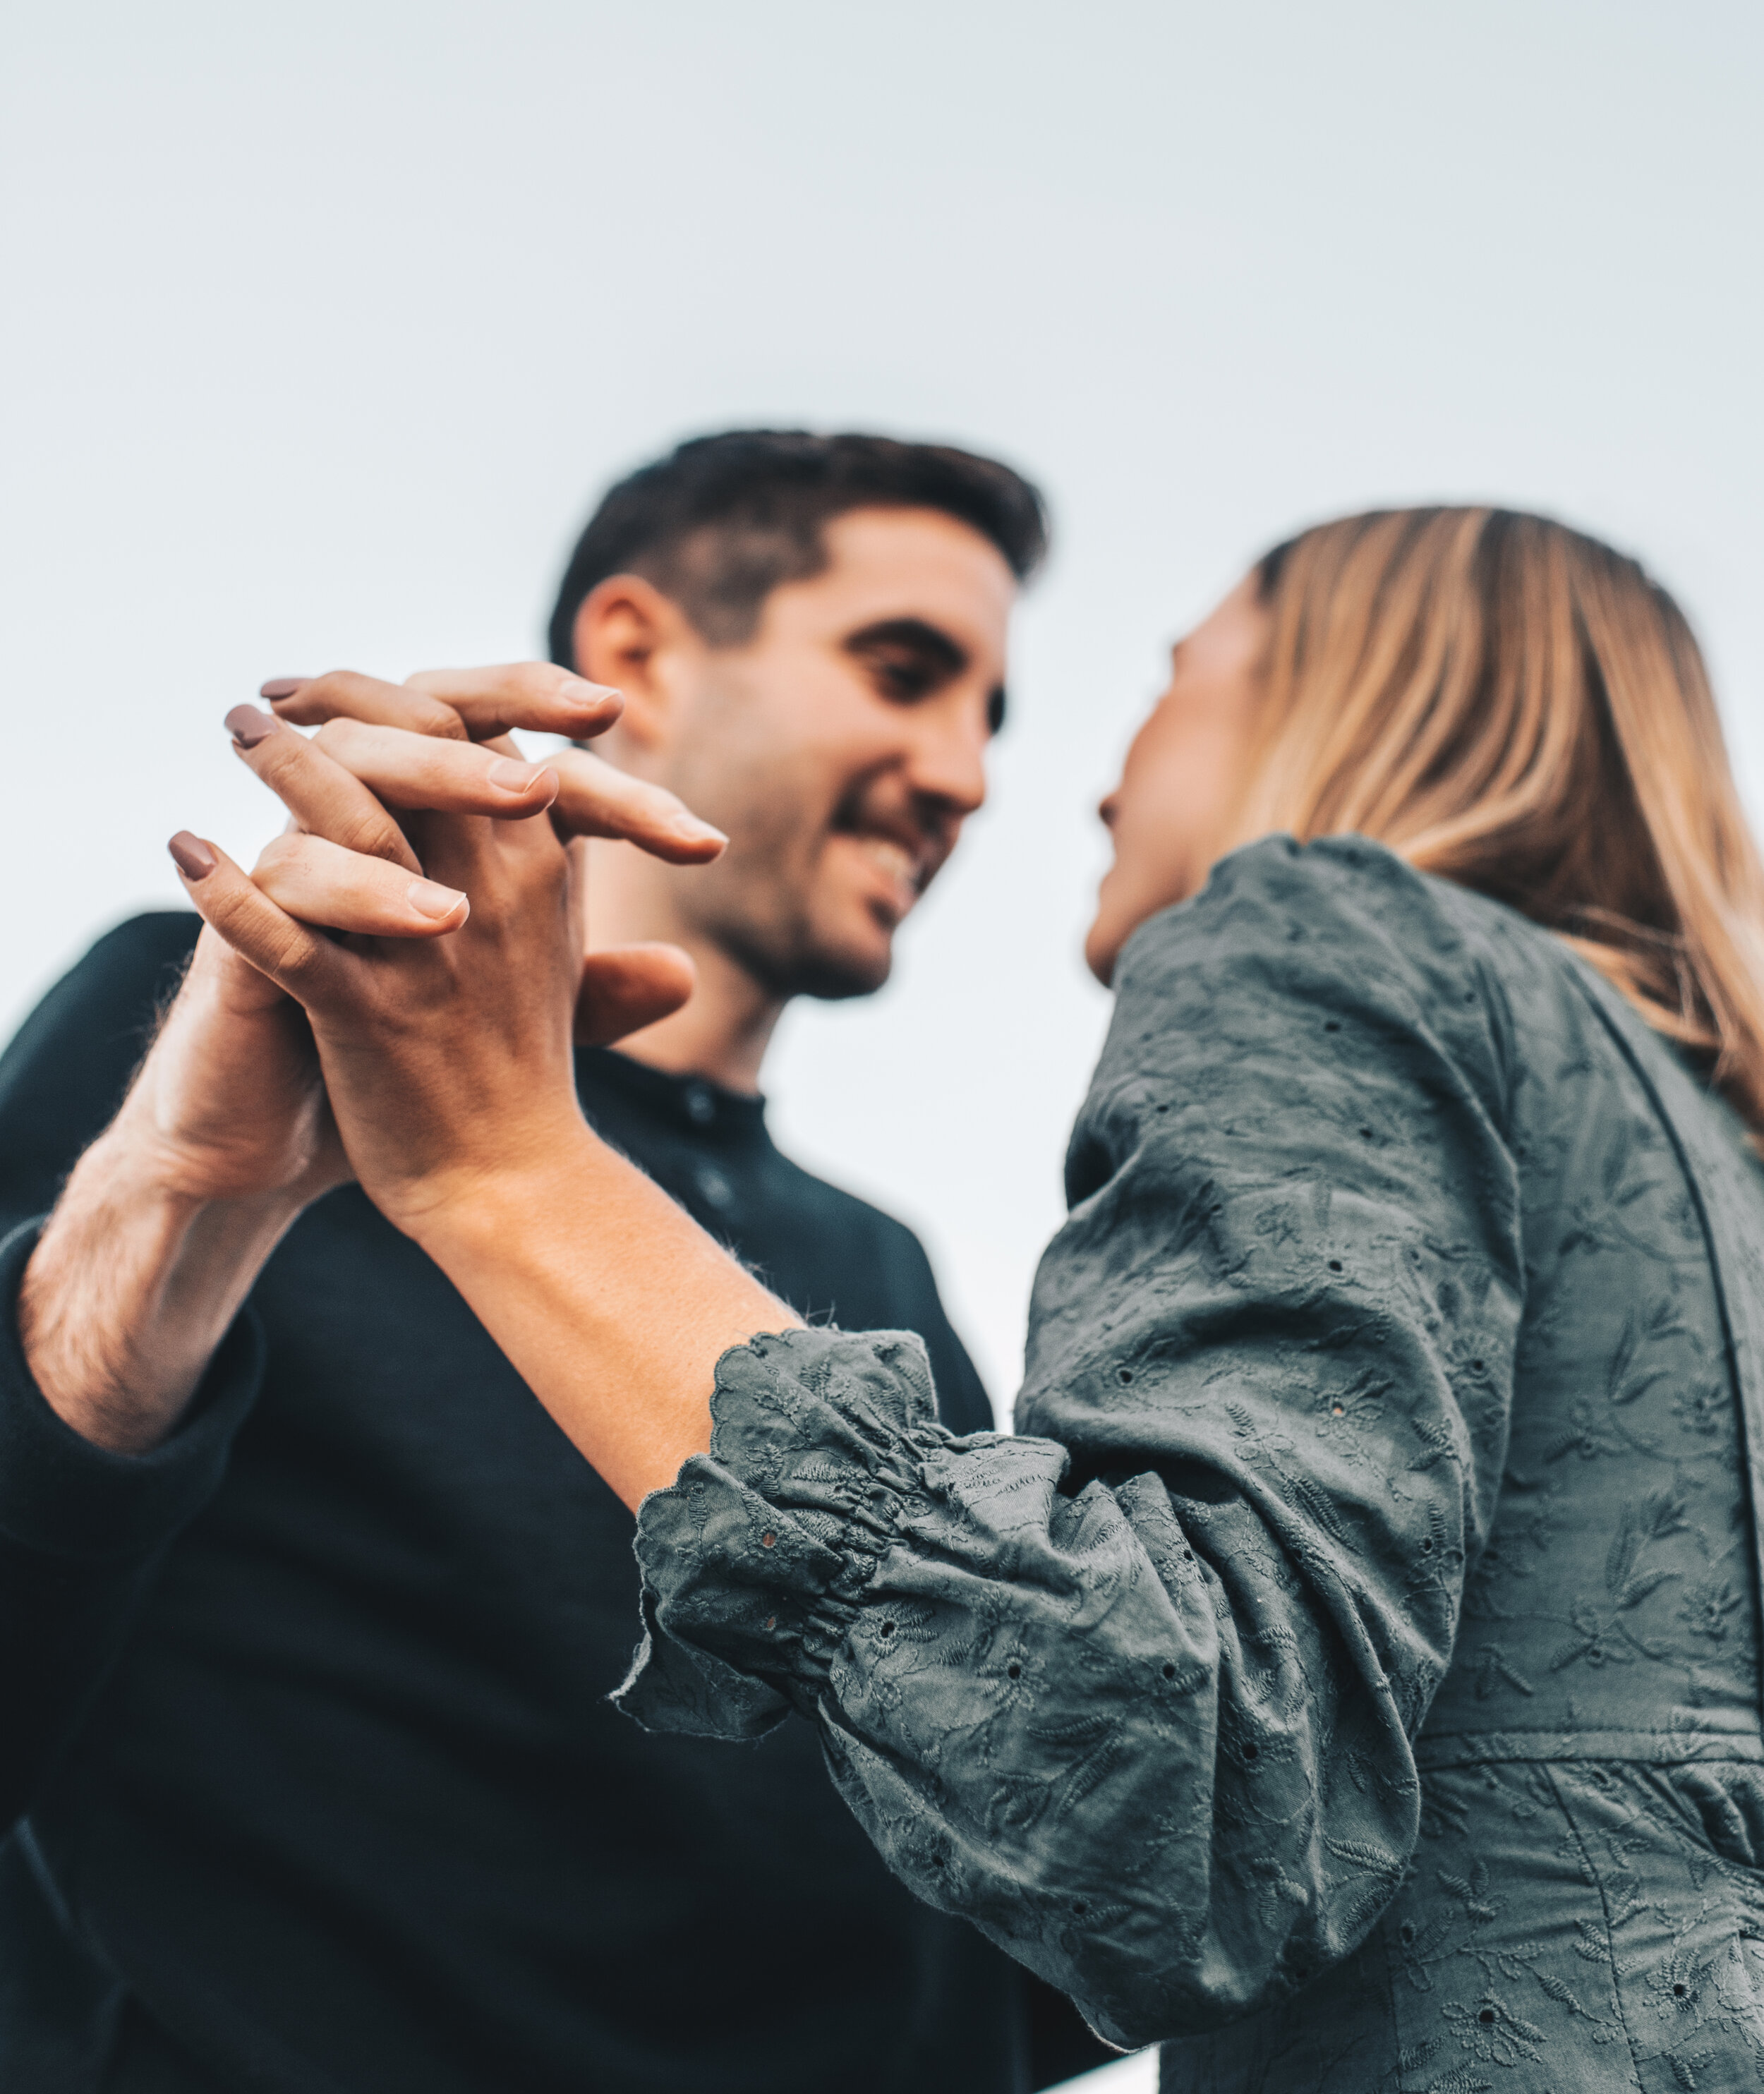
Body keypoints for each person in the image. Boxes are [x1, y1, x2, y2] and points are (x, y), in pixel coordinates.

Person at [170, 504, 1764, 2091]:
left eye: (1169, 678)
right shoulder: (1714, 1143)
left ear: (1341, 692)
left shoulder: (1315, 930)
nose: (1072, 777)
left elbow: (1190, 1802)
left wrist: (502, 1157)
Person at [0, 430, 1101, 2093]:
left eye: (988, 714)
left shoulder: (873, 1265)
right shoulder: (210, 1029)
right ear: (639, 653)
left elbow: (993, 1894)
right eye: (901, 670)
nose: (960, 772)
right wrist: (183, 1195)